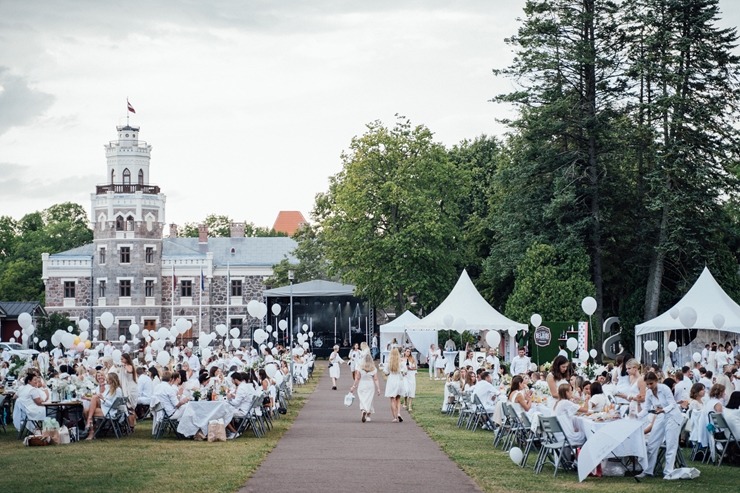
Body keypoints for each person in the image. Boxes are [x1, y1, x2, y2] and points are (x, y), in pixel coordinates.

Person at [637, 371, 683, 478]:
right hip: (660, 416)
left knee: (671, 444)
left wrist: (663, 410)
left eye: (651, 383)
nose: (649, 386)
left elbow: (672, 404)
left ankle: (668, 472)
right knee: (652, 443)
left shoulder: (665, 389)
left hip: (672, 416)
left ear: (656, 381)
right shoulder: (649, 393)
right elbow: (646, 409)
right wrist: (636, 416)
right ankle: (648, 470)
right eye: (647, 384)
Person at [84, 372, 124, 440]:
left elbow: (114, 405)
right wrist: (100, 397)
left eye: (107, 379)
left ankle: (91, 430)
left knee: (87, 411)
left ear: (111, 380)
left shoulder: (118, 390)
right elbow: (102, 398)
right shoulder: (108, 388)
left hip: (111, 411)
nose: (106, 380)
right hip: (105, 407)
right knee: (92, 401)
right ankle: (91, 425)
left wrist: (103, 399)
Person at [350, 354, 380, 423]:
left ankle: (363, 410)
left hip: (362, 384)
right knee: (369, 399)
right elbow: (376, 379)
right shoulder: (373, 368)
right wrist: (378, 388)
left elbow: (357, 378)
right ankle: (368, 413)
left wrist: (353, 386)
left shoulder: (360, 368)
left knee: (362, 398)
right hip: (370, 385)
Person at [383, 347, 404, 422]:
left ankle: (395, 417)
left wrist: (387, 373)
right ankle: (398, 413)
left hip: (391, 379)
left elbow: (385, 371)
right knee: (398, 398)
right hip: (398, 379)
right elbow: (404, 371)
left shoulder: (389, 362)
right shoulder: (400, 362)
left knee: (392, 399)